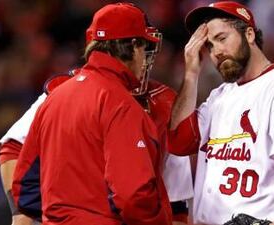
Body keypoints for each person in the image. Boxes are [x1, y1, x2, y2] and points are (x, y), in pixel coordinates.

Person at [9, 3, 173, 225]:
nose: (145, 59)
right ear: (133, 46)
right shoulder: (121, 103)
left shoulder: (55, 97)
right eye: (144, 48)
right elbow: (133, 196)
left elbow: (24, 189)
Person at [167, 1, 274, 225]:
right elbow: (179, 142)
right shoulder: (218, 97)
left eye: (221, 38)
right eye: (209, 46)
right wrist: (191, 74)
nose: (216, 52)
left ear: (249, 34)